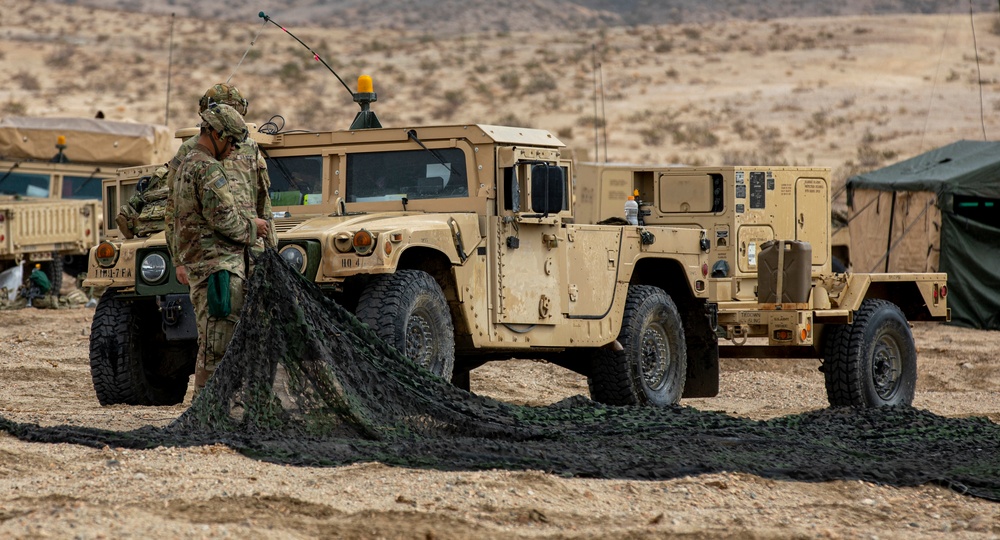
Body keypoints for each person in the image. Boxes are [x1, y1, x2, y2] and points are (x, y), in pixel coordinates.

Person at [171, 103, 270, 394]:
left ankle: (208, 409)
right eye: (230, 141)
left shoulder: (186, 164)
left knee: (210, 343)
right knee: (220, 345)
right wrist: (255, 228)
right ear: (215, 134)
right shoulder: (208, 170)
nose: (232, 149)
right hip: (219, 270)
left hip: (202, 266)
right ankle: (211, 412)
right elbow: (223, 218)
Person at [165, 83, 276, 285]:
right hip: (214, 255)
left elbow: (263, 201)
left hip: (252, 250)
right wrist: (178, 261)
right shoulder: (191, 152)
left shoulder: (250, 148)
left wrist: (271, 248)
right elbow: (175, 207)